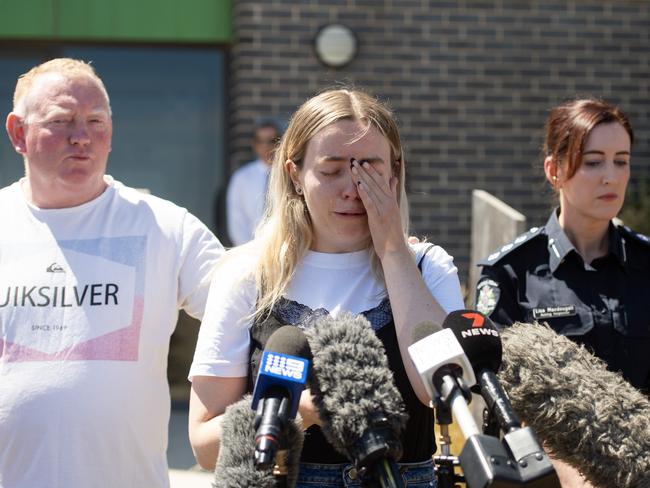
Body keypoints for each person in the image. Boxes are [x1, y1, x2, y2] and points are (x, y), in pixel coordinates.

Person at [188, 88, 465, 487]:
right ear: (294, 175)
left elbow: (437, 390)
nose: (352, 188)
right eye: (331, 170)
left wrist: (392, 250)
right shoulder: (247, 274)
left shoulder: (427, 266)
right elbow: (204, 444)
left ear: (394, 173)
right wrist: (299, 412)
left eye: (368, 167)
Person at [0, 58, 223, 487]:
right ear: (18, 133)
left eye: (95, 121)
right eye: (61, 121)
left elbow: (252, 314)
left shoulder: (165, 228)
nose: (81, 137)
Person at [475, 98, 650, 395]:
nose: (612, 177)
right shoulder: (511, 272)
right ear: (554, 170)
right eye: (593, 162)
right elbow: (491, 386)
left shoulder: (645, 262)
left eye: (621, 161)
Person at [226, 121, 280, 246]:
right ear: (254, 144)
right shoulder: (242, 177)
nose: (265, 146)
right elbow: (236, 220)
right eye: (260, 141)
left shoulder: (289, 174)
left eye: (271, 140)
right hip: (250, 250)